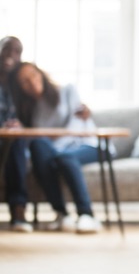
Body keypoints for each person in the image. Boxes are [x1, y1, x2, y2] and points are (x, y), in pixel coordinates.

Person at [8, 62, 102, 234]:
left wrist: (54, 151)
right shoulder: (32, 109)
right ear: (19, 88)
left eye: (33, 75)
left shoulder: (67, 91)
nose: (31, 82)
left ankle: (87, 215)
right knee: (38, 145)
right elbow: (37, 142)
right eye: (24, 81)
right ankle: (62, 213)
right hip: (57, 152)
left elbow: (76, 126)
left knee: (64, 157)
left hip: (88, 144)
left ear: (41, 74)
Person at [0, 36, 32, 232]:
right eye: (6, 49)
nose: (10, 55)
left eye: (17, 51)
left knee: (17, 141)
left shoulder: (19, 84)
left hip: (11, 141)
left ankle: (18, 211)